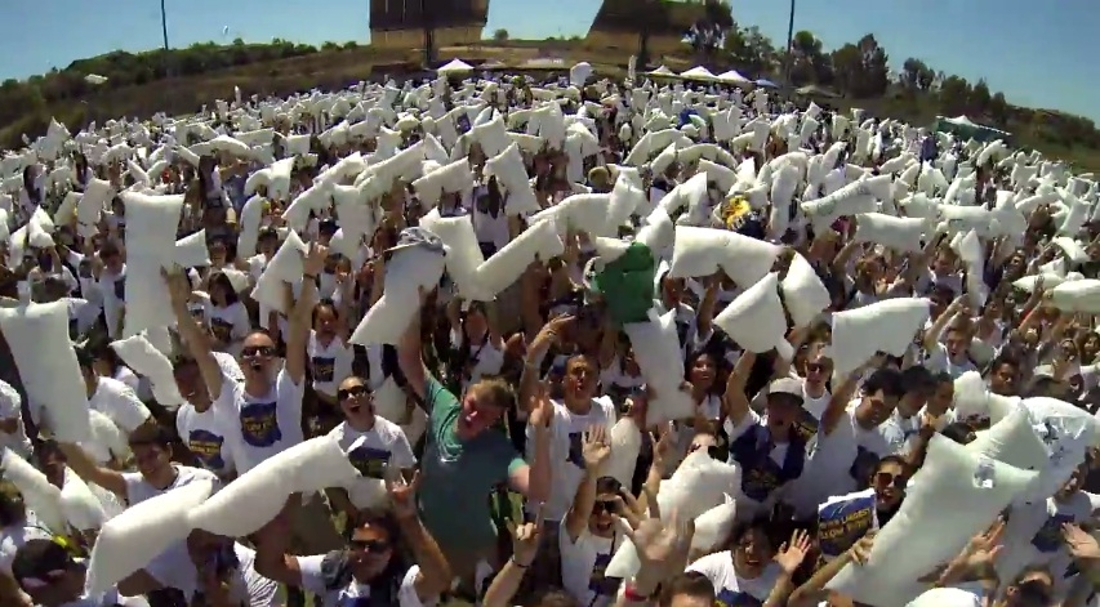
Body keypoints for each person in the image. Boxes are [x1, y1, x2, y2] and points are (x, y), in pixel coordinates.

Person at [253, 472, 451, 607]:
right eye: (359, 544)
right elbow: (268, 566)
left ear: (391, 552)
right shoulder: (334, 568)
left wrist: (409, 519)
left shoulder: (402, 585)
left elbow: (439, 580)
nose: (365, 553)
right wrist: (282, 524)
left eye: (376, 547)